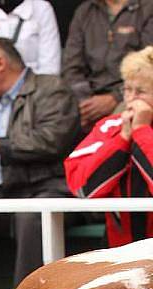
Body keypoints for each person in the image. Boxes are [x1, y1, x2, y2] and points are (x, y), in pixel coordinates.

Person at [0, 37, 80, 284]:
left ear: (0, 63)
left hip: (49, 188)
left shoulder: (51, 89)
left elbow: (51, 140)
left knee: (31, 214)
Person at [65, 45, 153, 247]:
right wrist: (123, 137)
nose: (131, 98)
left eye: (140, 91)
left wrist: (142, 131)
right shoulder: (109, 127)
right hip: (117, 253)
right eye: (127, 89)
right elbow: (80, 187)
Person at [62, 0, 153, 133]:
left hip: (129, 92)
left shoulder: (147, 8)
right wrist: (85, 101)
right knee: (55, 113)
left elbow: (146, 63)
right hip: (86, 97)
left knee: (119, 122)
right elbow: (71, 65)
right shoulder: (85, 11)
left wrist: (116, 97)